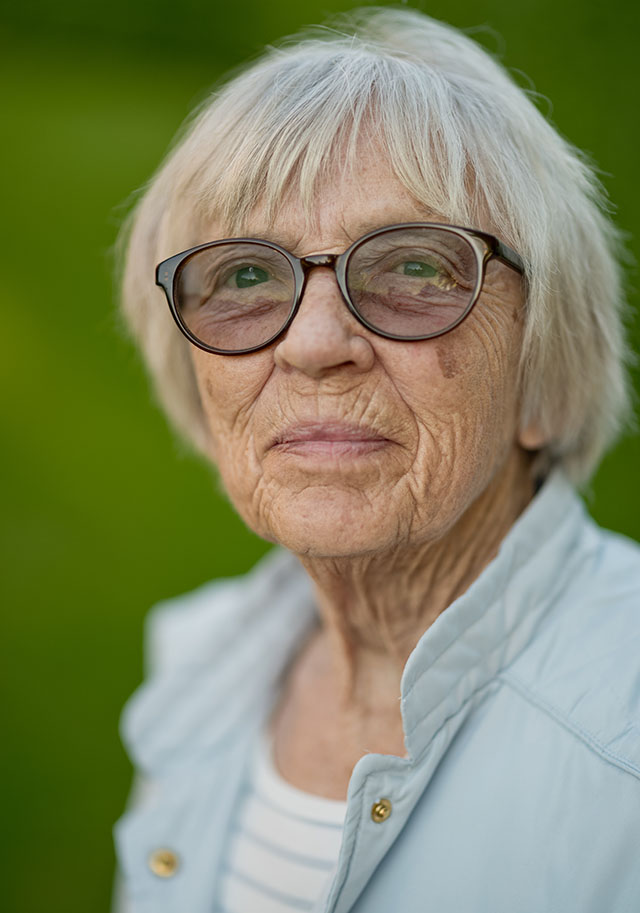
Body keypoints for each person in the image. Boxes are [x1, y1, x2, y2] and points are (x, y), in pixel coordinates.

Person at [113, 8, 640, 913]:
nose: (316, 343)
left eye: (415, 268)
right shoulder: (196, 671)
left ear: (542, 376)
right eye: (245, 275)